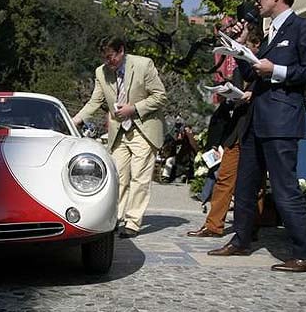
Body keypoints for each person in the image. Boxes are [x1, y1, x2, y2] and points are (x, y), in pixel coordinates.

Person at [208, 0, 306, 272]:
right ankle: (241, 240)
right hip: (256, 119)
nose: (258, 2)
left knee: (284, 188)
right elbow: (255, 74)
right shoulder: (269, 34)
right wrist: (241, 49)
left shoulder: (301, 28)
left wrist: (277, 69)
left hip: (282, 121)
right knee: (244, 185)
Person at [72, 36, 168, 238]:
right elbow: (95, 101)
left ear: (121, 51)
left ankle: (133, 222)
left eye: (111, 57)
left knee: (139, 178)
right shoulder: (101, 72)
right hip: (119, 132)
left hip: (144, 128)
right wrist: (74, 120)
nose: (108, 62)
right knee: (118, 178)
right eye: (105, 58)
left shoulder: (144, 65)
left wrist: (134, 109)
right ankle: (115, 217)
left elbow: (160, 96)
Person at [188, 28, 264, 238]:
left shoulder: (266, 69)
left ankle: (252, 227)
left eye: (249, 48)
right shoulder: (240, 70)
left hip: (257, 128)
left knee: (254, 183)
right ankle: (213, 225)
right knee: (224, 178)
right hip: (237, 128)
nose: (246, 52)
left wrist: (253, 95)